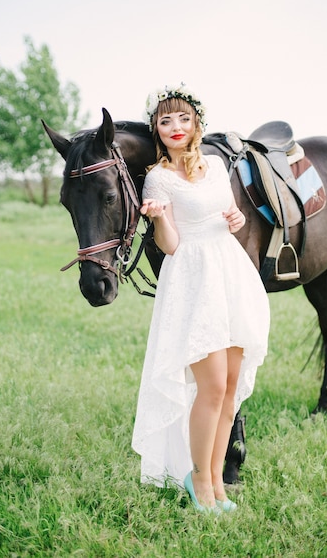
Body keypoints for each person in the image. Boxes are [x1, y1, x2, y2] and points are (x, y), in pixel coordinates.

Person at [131, 83, 270, 514]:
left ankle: (216, 483)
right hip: (192, 279)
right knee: (209, 387)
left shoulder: (213, 165)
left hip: (229, 272)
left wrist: (237, 217)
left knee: (229, 390)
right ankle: (199, 480)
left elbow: (232, 219)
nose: (175, 127)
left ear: (196, 125)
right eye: (165, 120)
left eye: (183, 119)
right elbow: (171, 245)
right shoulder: (158, 177)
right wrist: (158, 219)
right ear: (157, 128)